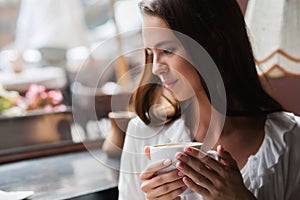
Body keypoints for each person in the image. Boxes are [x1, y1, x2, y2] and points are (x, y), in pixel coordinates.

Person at [118, 0, 300, 200]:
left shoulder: (291, 138)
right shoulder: (143, 134)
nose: (155, 68)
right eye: (151, 54)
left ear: (216, 44)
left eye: (167, 51)